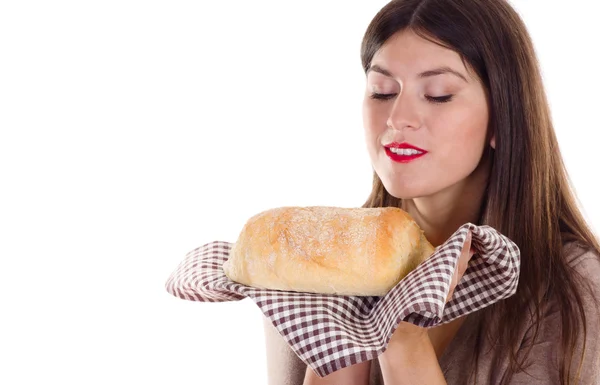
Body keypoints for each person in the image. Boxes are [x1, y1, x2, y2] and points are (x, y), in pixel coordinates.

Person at [263, 0, 600, 384]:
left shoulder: (572, 288)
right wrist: (342, 332)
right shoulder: (306, 269)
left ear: (502, 119)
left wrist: (403, 336)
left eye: (438, 94)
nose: (398, 118)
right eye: (382, 91)